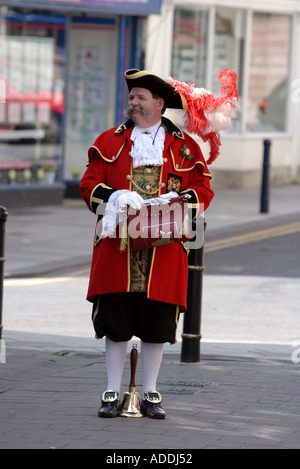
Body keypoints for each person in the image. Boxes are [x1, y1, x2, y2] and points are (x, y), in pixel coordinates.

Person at [80, 68, 238, 419]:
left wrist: (176, 202)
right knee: (116, 320)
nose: (133, 103)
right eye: (131, 97)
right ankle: (111, 391)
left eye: (140, 97)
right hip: (117, 247)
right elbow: (89, 185)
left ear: (159, 104)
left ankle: (150, 392)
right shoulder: (109, 141)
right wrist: (117, 197)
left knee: (156, 322)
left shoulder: (184, 147)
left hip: (164, 249)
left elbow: (203, 189)